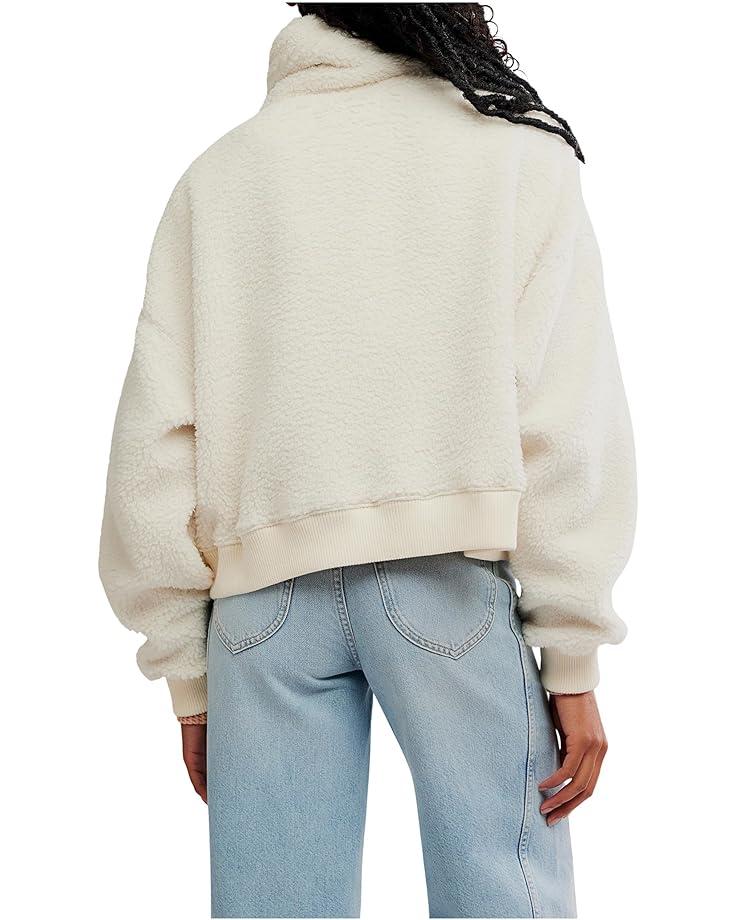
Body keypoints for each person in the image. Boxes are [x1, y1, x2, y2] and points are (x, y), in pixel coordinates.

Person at [99, 4, 636, 917]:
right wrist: (573, 656)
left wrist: (186, 672)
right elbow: (565, 422)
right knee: (504, 895)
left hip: (259, 605)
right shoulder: (516, 156)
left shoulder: (220, 176)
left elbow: (157, 437)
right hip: (448, 584)